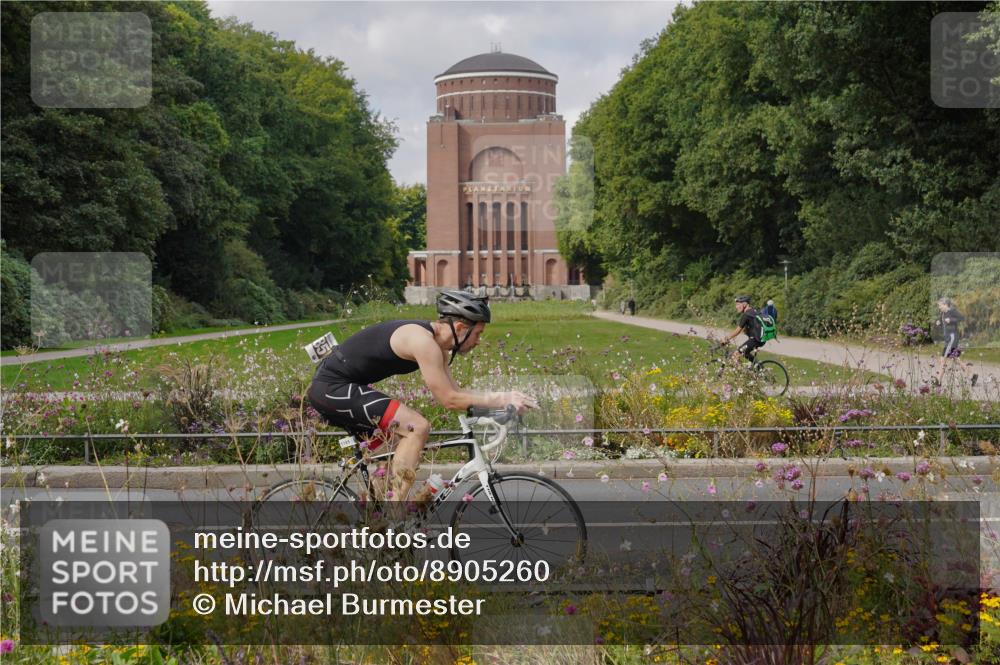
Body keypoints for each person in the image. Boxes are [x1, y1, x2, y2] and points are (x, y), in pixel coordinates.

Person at [307, 290, 538, 501]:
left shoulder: (438, 349)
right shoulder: (423, 341)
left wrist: (499, 406)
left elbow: (458, 395)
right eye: (477, 334)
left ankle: (376, 527)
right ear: (460, 328)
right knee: (417, 427)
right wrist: (502, 397)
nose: (478, 341)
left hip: (341, 388)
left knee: (391, 457)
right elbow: (448, 399)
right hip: (332, 388)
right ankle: (394, 513)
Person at [934, 297, 977, 387]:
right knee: (955, 358)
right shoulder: (942, 313)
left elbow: (962, 318)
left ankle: (938, 381)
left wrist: (951, 320)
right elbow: (942, 321)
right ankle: (972, 376)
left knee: (943, 359)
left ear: (945, 305)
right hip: (948, 339)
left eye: (940, 305)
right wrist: (938, 322)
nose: (939, 307)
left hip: (952, 338)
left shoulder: (952, 311)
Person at [721, 295, 767, 362]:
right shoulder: (754, 311)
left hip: (755, 340)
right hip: (761, 339)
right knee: (745, 353)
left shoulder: (747, 315)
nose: (736, 307)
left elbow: (738, 330)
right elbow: (745, 329)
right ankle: (759, 368)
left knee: (736, 354)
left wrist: (726, 339)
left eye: (738, 304)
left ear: (745, 304)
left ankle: (743, 371)